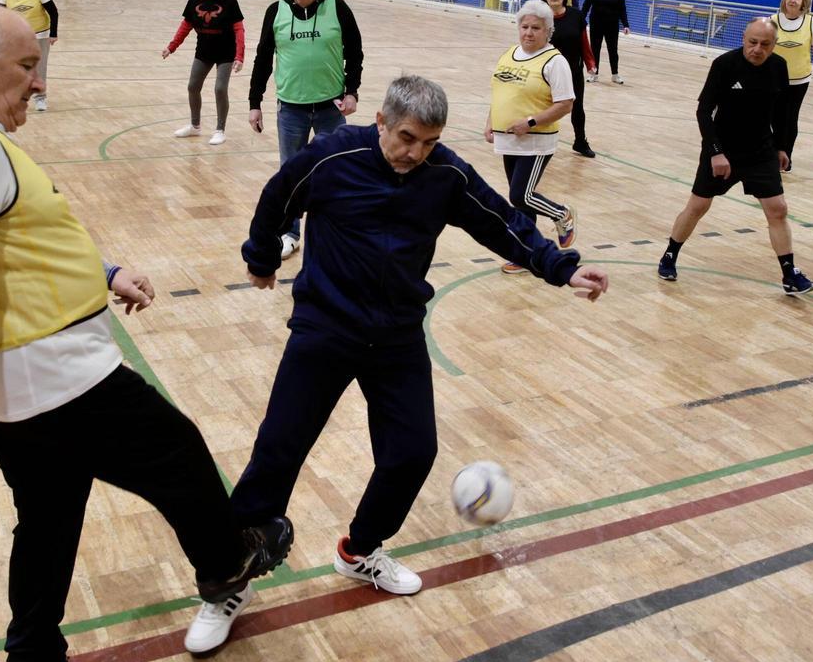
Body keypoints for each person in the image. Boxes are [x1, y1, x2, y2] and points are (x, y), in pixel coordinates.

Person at [0, 4, 293, 662]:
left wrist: (100, 272)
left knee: (46, 523)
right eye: (25, 67)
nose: (36, 86)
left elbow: (7, 238)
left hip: (9, 384)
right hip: (54, 375)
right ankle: (228, 560)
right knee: (180, 456)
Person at [232, 74, 609, 596]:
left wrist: (558, 267)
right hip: (327, 327)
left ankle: (361, 550)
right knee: (279, 449)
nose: (416, 152)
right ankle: (229, 575)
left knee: (412, 452)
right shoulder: (332, 157)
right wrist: (262, 256)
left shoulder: (444, 172)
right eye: (407, 138)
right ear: (381, 120)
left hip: (397, 334)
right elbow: (278, 195)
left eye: (429, 142)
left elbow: (499, 221)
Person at [657, 18, 813, 296]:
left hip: (760, 151)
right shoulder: (724, 65)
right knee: (697, 207)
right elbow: (704, 112)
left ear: (774, 44)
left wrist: (781, 147)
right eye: (752, 42)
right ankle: (669, 255)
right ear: (744, 39)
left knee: (778, 209)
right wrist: (716, 152)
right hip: (722, 150)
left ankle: (789, 274)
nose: (757, 49)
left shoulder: (779, 67)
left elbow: (782, 113)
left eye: (765, 44)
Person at [247, 0, 364, 261]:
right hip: (291, 111)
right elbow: (262, 59)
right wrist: (254, 102)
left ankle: (339, 232)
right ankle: (289, 233)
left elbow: (355, 53)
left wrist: (352, 92)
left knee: (338, 170)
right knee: (291, 174)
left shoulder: (337, 8)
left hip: (331, 108)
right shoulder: (276, 11)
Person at [484, 0, 578, 273]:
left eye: (536, 28)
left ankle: (562, 214)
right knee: (519, 200)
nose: (528, 32)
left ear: (547, 30)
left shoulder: (555, 61)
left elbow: (565, 103)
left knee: (520, 195)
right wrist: (491, 121)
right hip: (507, 139)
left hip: (536, 141)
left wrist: (531, 121)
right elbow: (500, 92)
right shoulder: (509, 53)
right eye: (524, 26)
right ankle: (526, 255)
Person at [162, 0, 245, 145]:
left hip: (225, 52)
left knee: (220, 89)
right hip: (204, 51)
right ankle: (195, 126)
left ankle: (220, 130)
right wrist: (171, 46)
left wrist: (239, 56)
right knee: (193, 86)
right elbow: (186, 25)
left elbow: (239, 29)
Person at [770, 0, 813, 170]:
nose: (792, 0)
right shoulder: (773, 20)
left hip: (799, 79)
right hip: (774, 79)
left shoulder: (812, 22)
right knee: (773, 117)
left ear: (804, 1)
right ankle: (773, 153)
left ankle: (786, 157)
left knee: (789, 118)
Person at [541, 0, 596, 158]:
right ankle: (539, 140)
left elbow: (584, 42)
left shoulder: (576, 16)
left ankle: (580, 141)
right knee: (544, 107)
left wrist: (590, 63)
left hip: (573, 71)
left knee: (577, 107)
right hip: (547, 72)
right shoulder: (541, 18)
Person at [0, 0, 58, 113]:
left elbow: (53, 11)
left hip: (40, 34)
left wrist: (53, 33)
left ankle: (40, 98)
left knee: (39, 68)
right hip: (16, 36)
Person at [582, 0, 630, 84]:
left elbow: (622, 10)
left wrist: (626, 25)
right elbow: (586, 7)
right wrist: (580, 21)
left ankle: (615, 75)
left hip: (612, 27)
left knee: (613, 50)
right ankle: (594, 74)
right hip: (596, 25)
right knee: (594, 50)